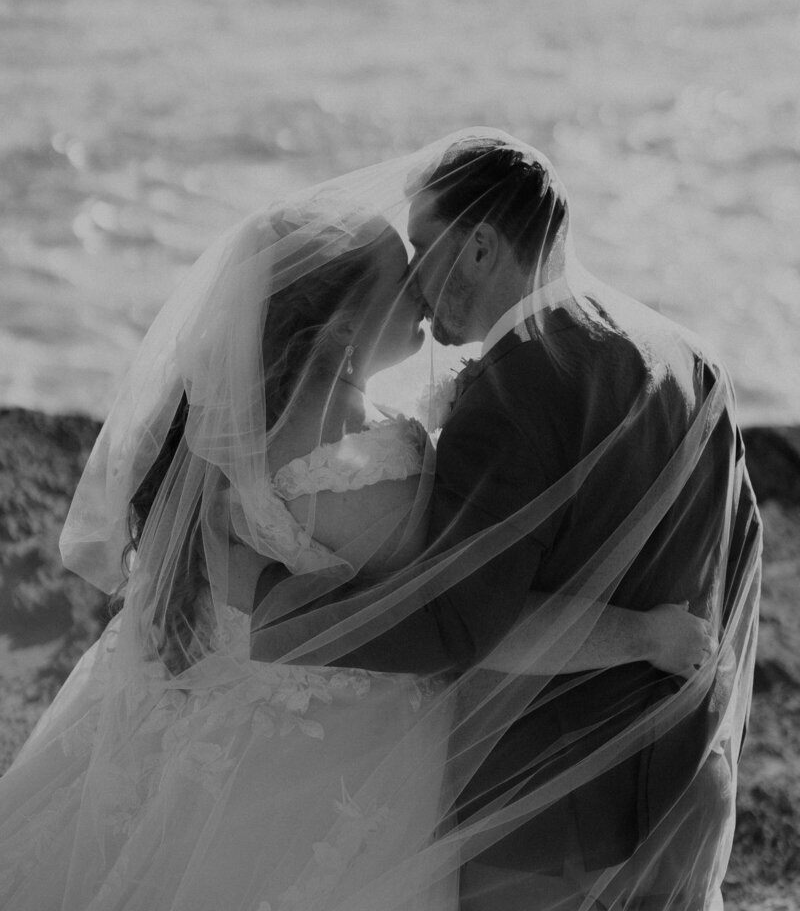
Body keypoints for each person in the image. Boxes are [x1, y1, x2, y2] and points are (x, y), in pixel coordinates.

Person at [0, 180, 707, 911]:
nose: (425, 292)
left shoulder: (232, 438)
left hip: (211, 710)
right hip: (337, 756)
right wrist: (643, 636)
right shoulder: (372, 474)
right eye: (405, 280)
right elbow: (466, 628)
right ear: (343, 329)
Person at [252, 130, 762, 911]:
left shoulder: (513, 391)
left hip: (545, 812)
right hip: (685, 781)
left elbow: (463, 625)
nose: (414, 285)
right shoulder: (690, 357)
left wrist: (275, 622)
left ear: (483, 246)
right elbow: (742, 556)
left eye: (424, 248)